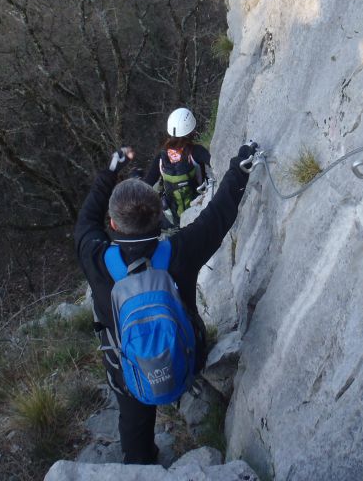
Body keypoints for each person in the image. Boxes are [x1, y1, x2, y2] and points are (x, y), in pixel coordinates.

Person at [74, 140, 257, 464]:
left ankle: (140, 462)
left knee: (133, 430)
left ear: (113, 224)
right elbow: (217, 216)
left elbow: (86, 221)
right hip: (188, 356)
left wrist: (111, 171)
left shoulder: (96, 259)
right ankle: (187, 386)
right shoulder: (179, 251)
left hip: (125, 371)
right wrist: (240, 168)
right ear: (160, 217)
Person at [142, 107, 213, 226]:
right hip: (198, 207)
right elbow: (215, 163)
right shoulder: (196, 151)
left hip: (172, 215)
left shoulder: (161, 157)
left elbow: (147, 184)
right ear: (191, 130)